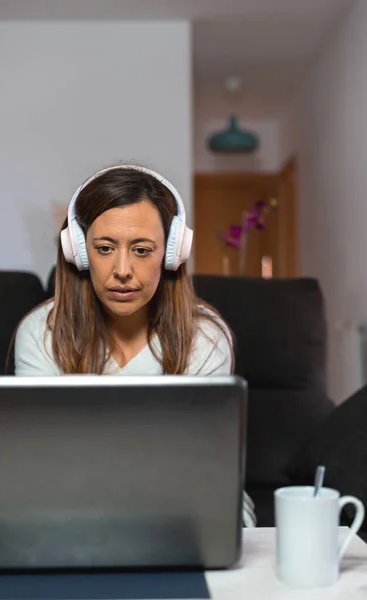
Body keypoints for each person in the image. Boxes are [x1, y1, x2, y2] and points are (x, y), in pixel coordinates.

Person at [14, 163, 256, 526]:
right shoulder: (40, 333)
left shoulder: (205, 336)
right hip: (74, 508)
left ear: (172, 254)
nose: (123, 269)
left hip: (189, 504)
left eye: (142, 250)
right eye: (105, 248)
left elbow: (201, 468)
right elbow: (44, 465)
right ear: (78, 253)